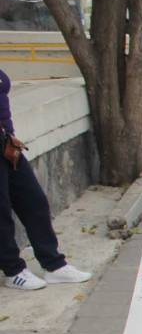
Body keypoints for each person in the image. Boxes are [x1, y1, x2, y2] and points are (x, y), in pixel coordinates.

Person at [0, 67, 91, 291]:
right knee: (1, 213)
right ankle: (13, 270)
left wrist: (9, 135)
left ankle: (54, 265)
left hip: (7, 144)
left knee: (35, 202)